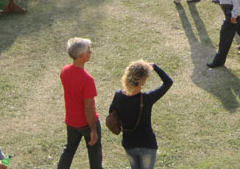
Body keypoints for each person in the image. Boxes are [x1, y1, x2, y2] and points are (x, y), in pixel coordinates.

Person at [109, 61, 173, 169]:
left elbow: (112, 113)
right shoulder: (147, 98)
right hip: (147, 144)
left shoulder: (118, 96)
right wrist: (155, 66)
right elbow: (168, 82)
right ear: (143, 81)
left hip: (129, 144)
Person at [57, 37, 103, 169]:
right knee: (95, 156)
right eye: (89, 50)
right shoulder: (87, 79)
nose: (91, 52)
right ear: (82, 56)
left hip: (71, 121)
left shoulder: (65, 70)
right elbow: (88, 107)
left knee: (69, 150)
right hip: (86, 124)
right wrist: (93, 130)